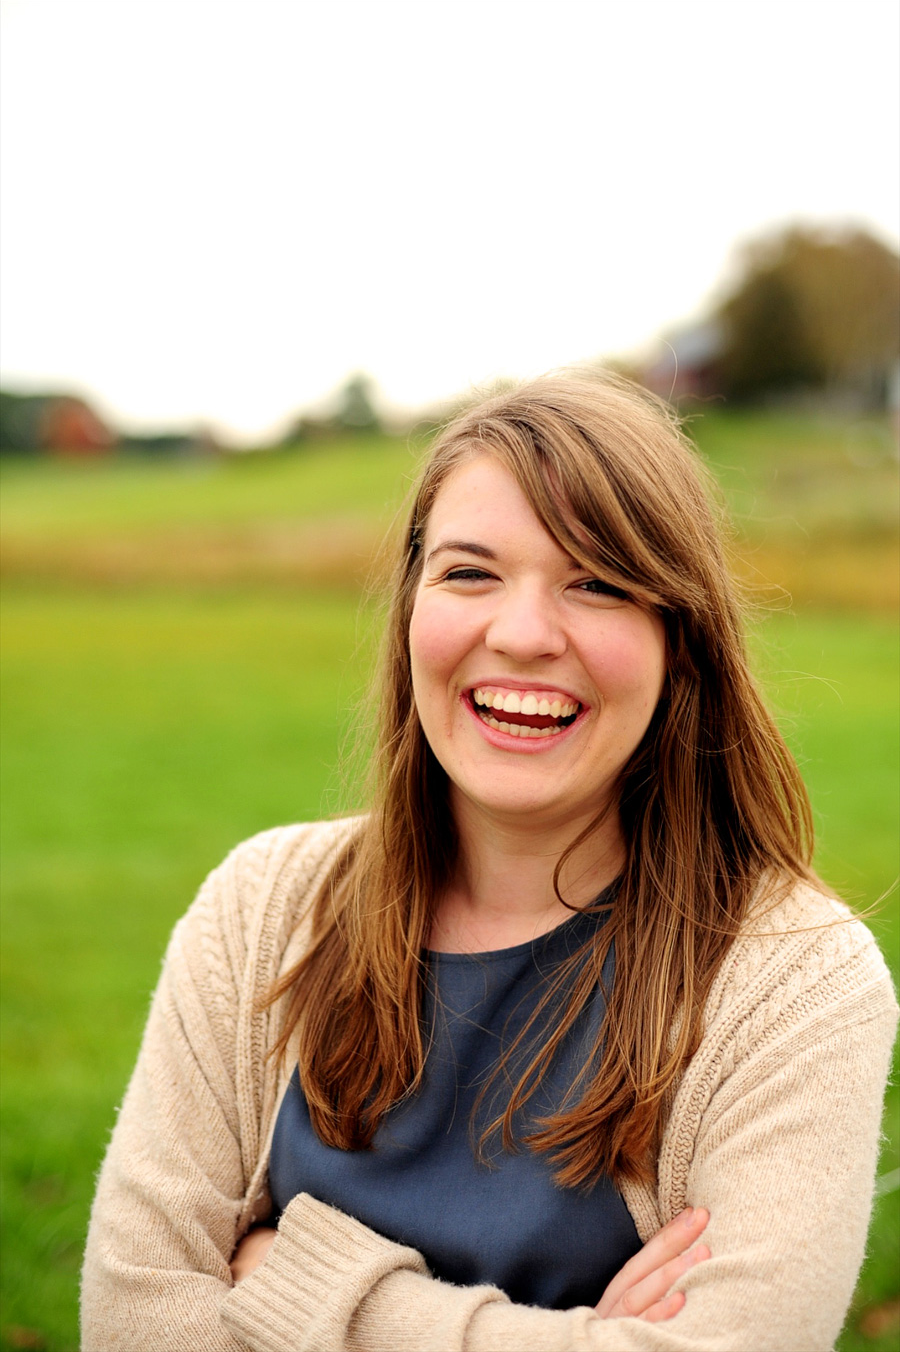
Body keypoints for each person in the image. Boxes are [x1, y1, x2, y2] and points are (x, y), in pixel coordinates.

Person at [82, 375, 898, 1352]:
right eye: (470, 573)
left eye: (596, 582)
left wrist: (301, 1289)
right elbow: (133, 1322)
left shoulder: (794, 974)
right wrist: (576, 1337)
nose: (519, 634)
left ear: (682, 641)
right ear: (411, 610)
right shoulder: (261, 908)